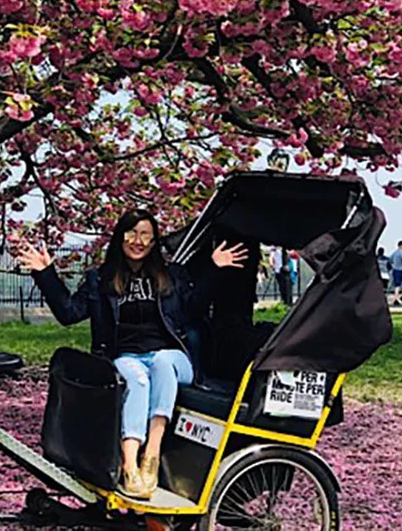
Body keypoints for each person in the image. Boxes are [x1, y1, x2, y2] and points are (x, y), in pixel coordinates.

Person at [18, 210, 247, 499]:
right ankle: (130, 464)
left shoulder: (171, 275)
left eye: (146, 236)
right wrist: (45, 273)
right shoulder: (100, 280)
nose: (138, 242)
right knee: (137, 380)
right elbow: (68, 313)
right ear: (120, 237)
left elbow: (193, 309)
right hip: (127, 358)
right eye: (132, 234)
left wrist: (214, 269)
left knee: (162, 363)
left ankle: (152, 452)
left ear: (154, 242)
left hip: (175, 358)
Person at [389, 241, 402, 306]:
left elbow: (390, 260)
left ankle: (396, 297)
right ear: (401, 245)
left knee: (397, 285)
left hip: (395, 269)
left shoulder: (394, 253)